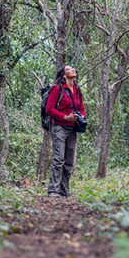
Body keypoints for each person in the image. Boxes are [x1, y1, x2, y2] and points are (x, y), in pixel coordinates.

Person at [45, 64, 86, 197]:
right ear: (63, 75)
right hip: (59, 127)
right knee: (58, 159)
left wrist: (82, 116)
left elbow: (81, 107)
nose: (73, 70)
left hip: (72, 129)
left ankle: (64, 190)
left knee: (69, 161)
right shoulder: (57, 89)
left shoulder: (77, 89)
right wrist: (65, 117)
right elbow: (49, 109)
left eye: (73, 69)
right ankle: (53, 190)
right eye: (68, 70)